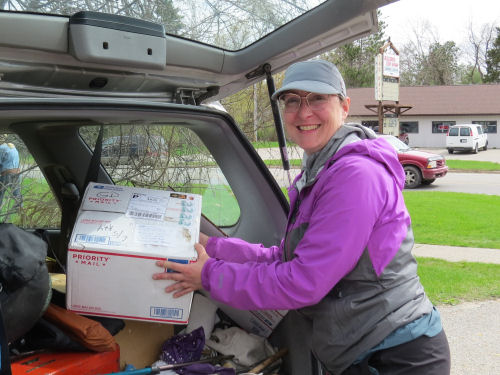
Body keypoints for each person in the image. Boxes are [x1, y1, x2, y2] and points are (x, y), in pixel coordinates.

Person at [153, 59, 451, 375]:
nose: (303, 112)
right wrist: (212, 247)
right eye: (292, 100)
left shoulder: (356, 176)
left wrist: (209, 276)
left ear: (345, 106)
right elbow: (283, 257)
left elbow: (304, 281)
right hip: (364, 351)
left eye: (318, 98)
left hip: (397, 356)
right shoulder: (320, 171)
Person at [0, 134, 22, 212]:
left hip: (7, 174)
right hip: (17, 173)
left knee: (0, 193)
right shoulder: (11, 146)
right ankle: (20, 211)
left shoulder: (1, 148)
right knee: (17, 194)